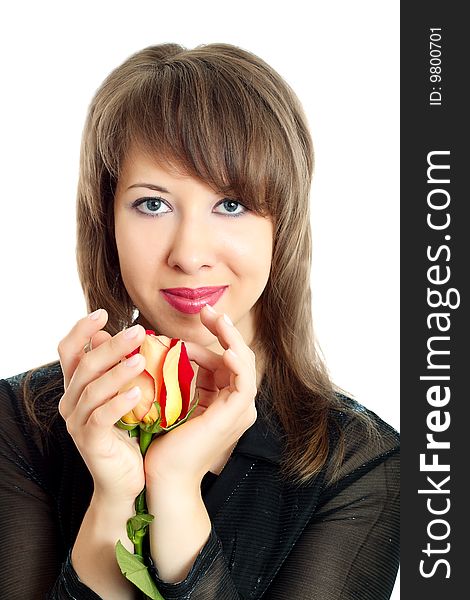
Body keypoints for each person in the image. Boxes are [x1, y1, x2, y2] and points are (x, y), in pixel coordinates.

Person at [0, 43, 399, 599]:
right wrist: (115, 497)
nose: (189, 254)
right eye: (152, 204)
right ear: (105, 220)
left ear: (281, 224)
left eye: (231, 204)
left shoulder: (360, 462)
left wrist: (175, 491)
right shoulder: (19, 422)